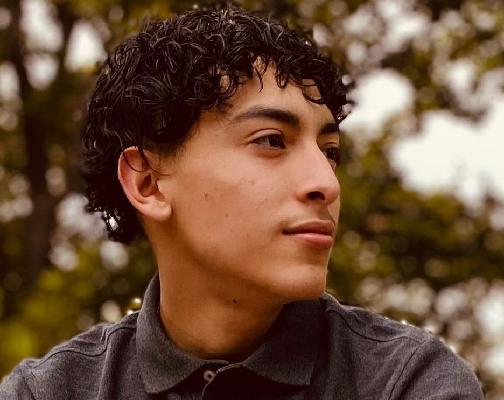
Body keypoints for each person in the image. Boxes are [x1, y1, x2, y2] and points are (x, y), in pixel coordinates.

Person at [0, 4, 483, 399]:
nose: (327, 183)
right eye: (271, 140)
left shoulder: (407, 382)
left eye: (330, 152)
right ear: (148, 183)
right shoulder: (48, 392)